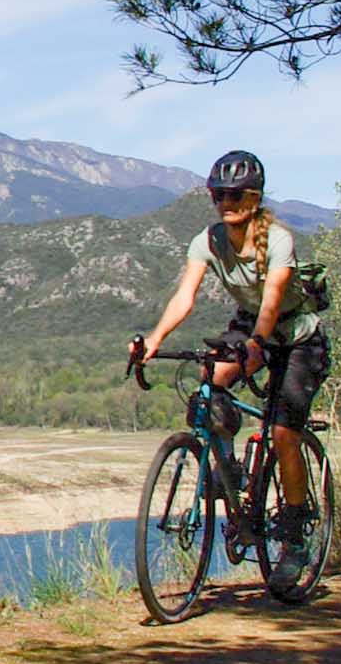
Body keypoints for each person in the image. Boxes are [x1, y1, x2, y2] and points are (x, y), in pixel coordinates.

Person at [127, 149, 329, 546]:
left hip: (297, 337)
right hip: (250, 323)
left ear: (254, 198)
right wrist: (155, 339)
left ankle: (293, 533)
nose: (225, 203)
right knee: (210, 379)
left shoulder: (279, 241)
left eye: (235, 195)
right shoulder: (208, 241)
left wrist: (257, 344)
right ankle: (228, 468)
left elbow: (272, 301)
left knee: (284, 433)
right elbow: (185, 297)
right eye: (218, 195)